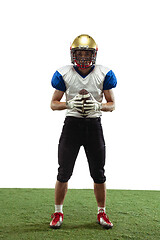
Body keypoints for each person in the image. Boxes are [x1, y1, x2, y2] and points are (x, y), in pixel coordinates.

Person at [50, 34, 117, 229]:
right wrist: (69, 103)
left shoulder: (104, 73)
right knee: (64, 172)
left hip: (94, 125)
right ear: (73, 54)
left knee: (98, 172)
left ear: (94, 54)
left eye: (86, 53)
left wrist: (99, 106)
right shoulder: (65, 73)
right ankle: (57, 212)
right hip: (72, 125)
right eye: (79, 53)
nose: (82, 57)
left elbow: (112, 105)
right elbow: (53, 104)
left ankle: (102, 212)